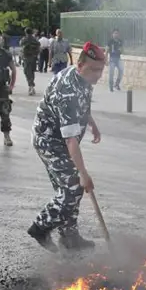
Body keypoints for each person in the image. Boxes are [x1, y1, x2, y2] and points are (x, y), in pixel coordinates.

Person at [27, 41, 106, 252]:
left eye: (101, 70)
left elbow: (83, 103)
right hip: (50, 142)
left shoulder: (82, 78)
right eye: (94, 70)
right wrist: (84, 174)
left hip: (62, 140)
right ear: (80, 66)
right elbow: (71, 141)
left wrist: (91, 123)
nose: (98, 75)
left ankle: (69, 237)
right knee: (74, 186)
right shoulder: (68, 91)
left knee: (68, 188)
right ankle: (40, 226)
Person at [19, 27, 41, 95]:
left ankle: (31, 86)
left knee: (26, 72)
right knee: (31, 72)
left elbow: (20, 44)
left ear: (25, 32)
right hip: (33, 57)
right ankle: (31, 86)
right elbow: (39, 46)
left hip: (26, 58)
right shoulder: (35, 39)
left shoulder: (24, 39)